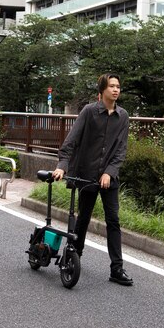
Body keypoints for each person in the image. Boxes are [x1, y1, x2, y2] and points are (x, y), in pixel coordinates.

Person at [52, 73, 133, 286]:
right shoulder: (89, 112)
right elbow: (71, 141)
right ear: (102, 90)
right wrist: (62, 166)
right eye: (112, 86)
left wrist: (109, 171)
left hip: (109, 178)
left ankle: (117, 269)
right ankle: (73, 257)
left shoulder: (123, 116)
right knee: (84, 217)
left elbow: (121, 150)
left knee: (113, 220)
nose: (116, 90)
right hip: (87, 175)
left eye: (118, 86)